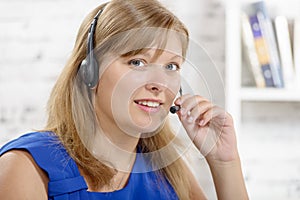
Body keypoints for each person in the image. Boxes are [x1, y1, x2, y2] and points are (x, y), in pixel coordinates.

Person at [0, 0, 248, 199]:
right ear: (90, 71)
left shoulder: (168, 173)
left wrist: (224, 163)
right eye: (137, 62)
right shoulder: (24, 168)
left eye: (171, 66)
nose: (159, 83)